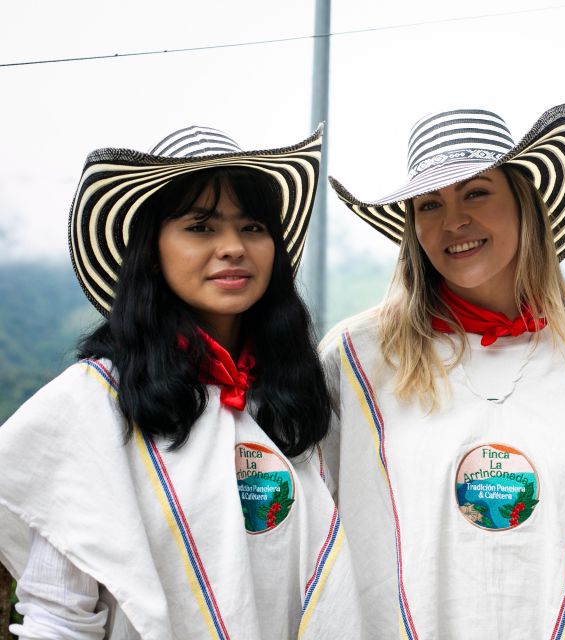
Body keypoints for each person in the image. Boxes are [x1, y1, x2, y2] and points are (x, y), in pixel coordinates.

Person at [0, 125, 360, 638]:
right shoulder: (93, 403)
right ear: (150, 250)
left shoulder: (294, 398)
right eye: (200, 227)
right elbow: (60, 616)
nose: (233, 247)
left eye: (253, 226)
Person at [321, 105, 565, 638]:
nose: (453, 221)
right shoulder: (356, 358)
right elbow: (313, 536)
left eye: (476, 192)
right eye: (430, 204)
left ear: (524, 202)